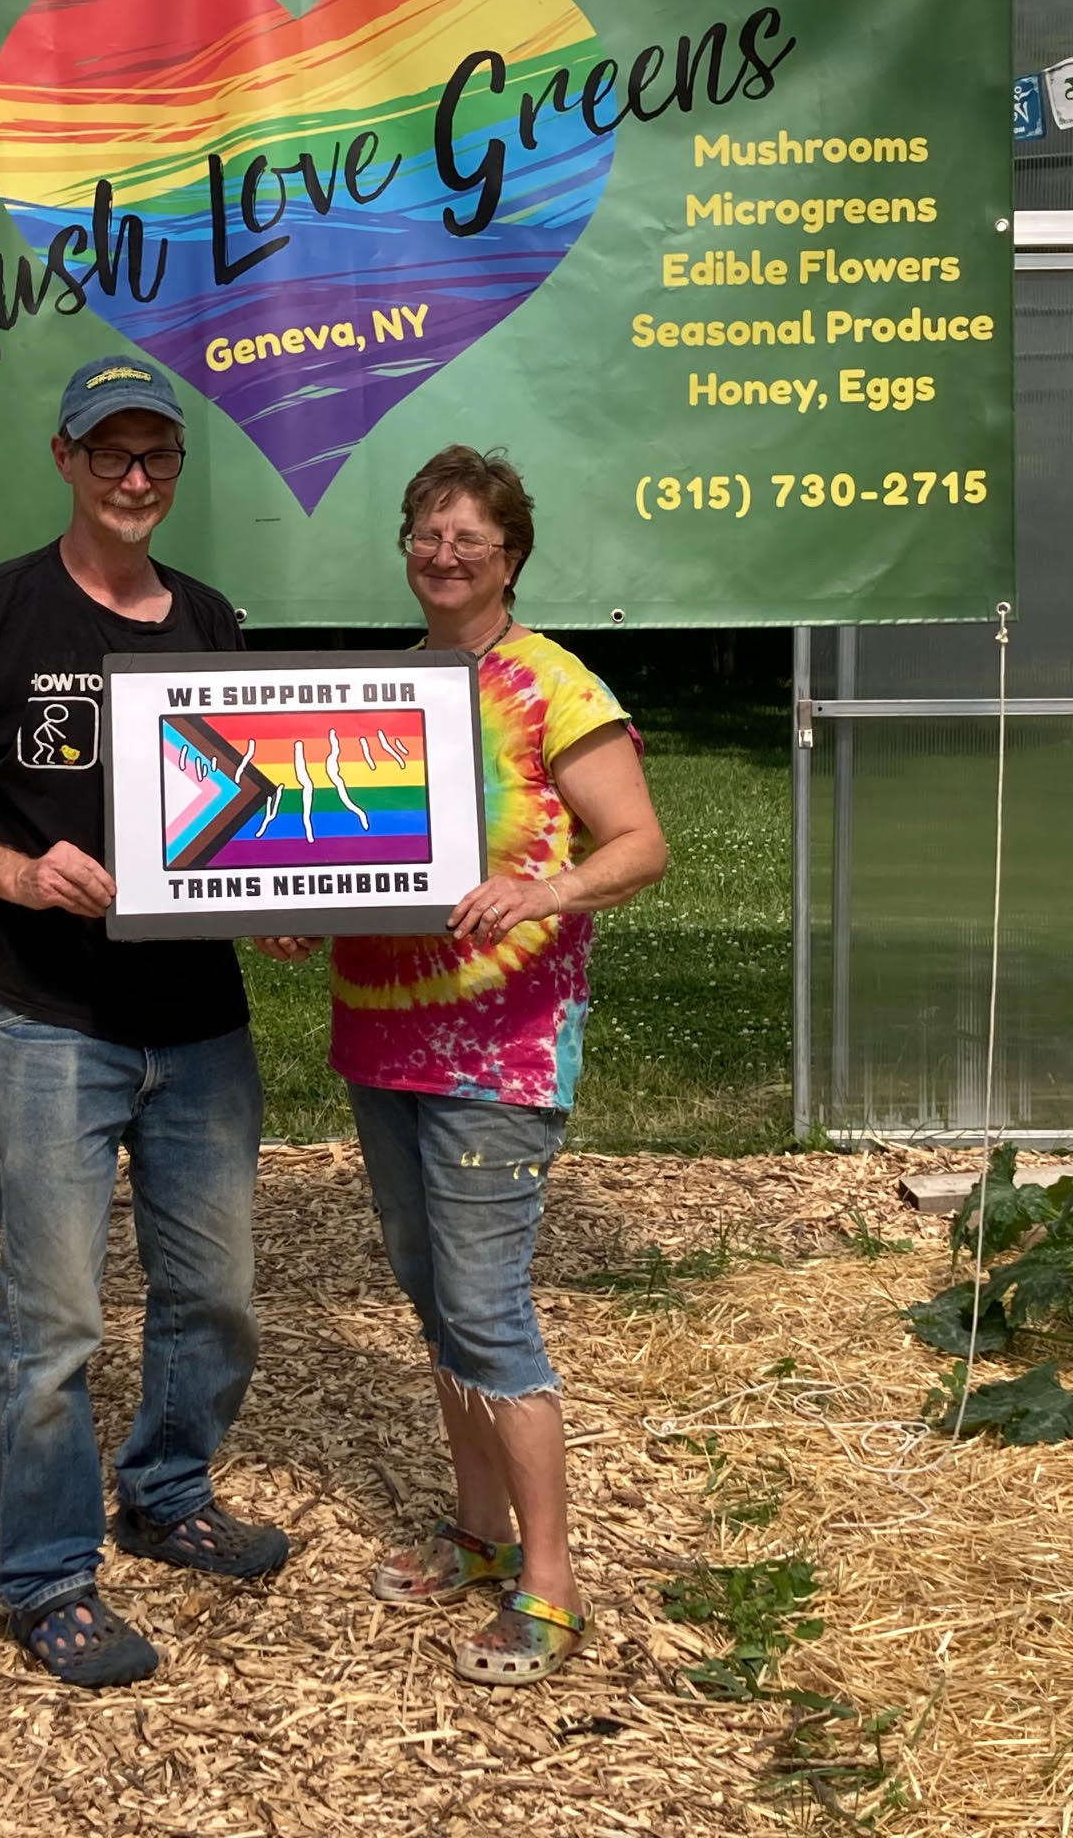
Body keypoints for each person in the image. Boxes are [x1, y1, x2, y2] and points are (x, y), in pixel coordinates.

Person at [0, 355, 287, 1690]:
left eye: (156, 456)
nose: (134, 478)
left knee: (214, 1297)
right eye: (108, 453)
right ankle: (46, 1576)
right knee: (54, 1325)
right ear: (63, 459)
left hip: (201, 1025)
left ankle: (167, 1493)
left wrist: (281, 896)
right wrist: (19, 874)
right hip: (47, 1023)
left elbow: (247, 807)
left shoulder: (214, 620)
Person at [262, 444, 666, 1687]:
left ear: (512, 557)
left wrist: (543, 887)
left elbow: (640, 843)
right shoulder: (388, 689)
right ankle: (480, 1534)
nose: (445, 556)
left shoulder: (555, 686)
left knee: (486, 1310)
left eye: (470, 541)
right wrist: (298, 901)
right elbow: (361, 855)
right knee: (438, 1299)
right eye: (427, 536)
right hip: (380, 1035)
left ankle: (551, 1582)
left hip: (501, 1048)